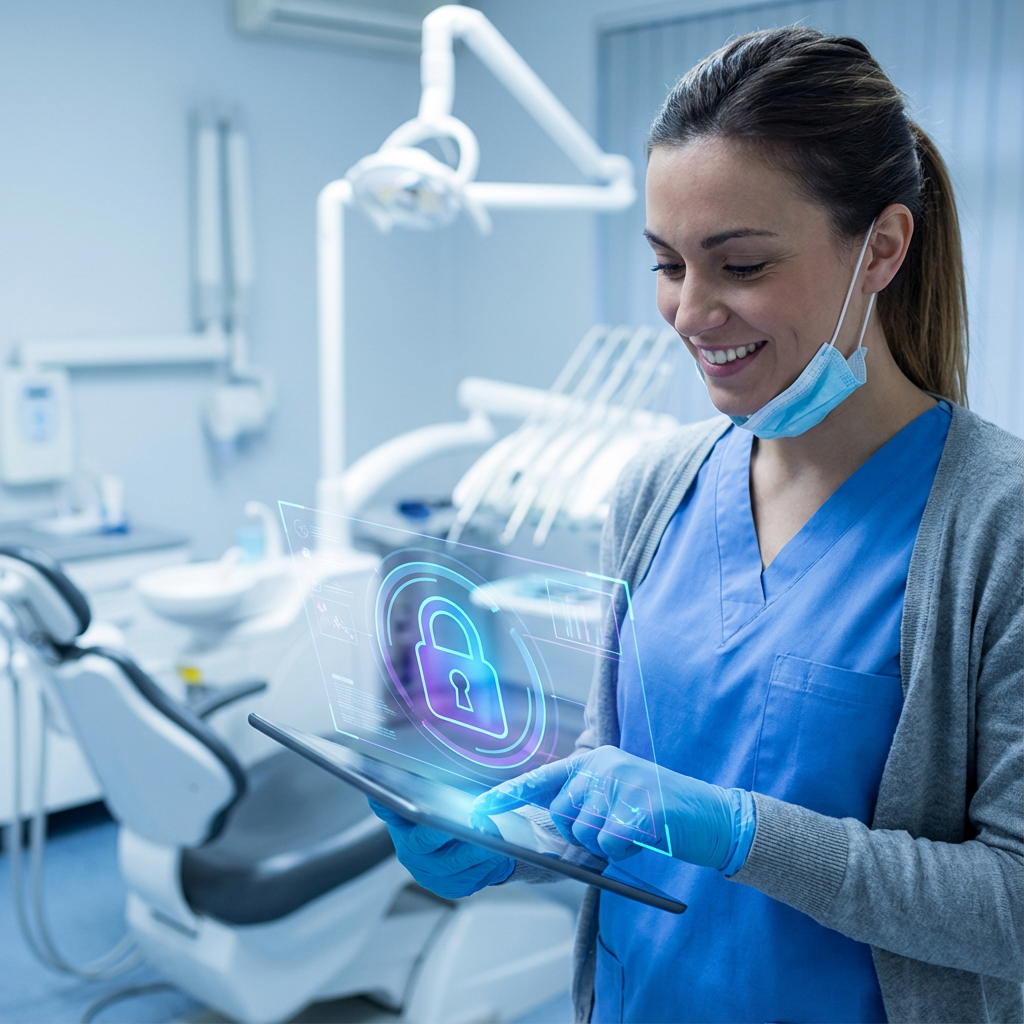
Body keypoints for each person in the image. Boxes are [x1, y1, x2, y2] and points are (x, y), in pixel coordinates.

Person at [369, 26, 1023, 1024]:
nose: (689, 312)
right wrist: (511, 842)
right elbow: (613, 798)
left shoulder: (993, 528)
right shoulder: (656, 486)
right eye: (666, 264)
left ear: (881, 248)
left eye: (740, 263)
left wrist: (735, 828)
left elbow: (1010, 903)